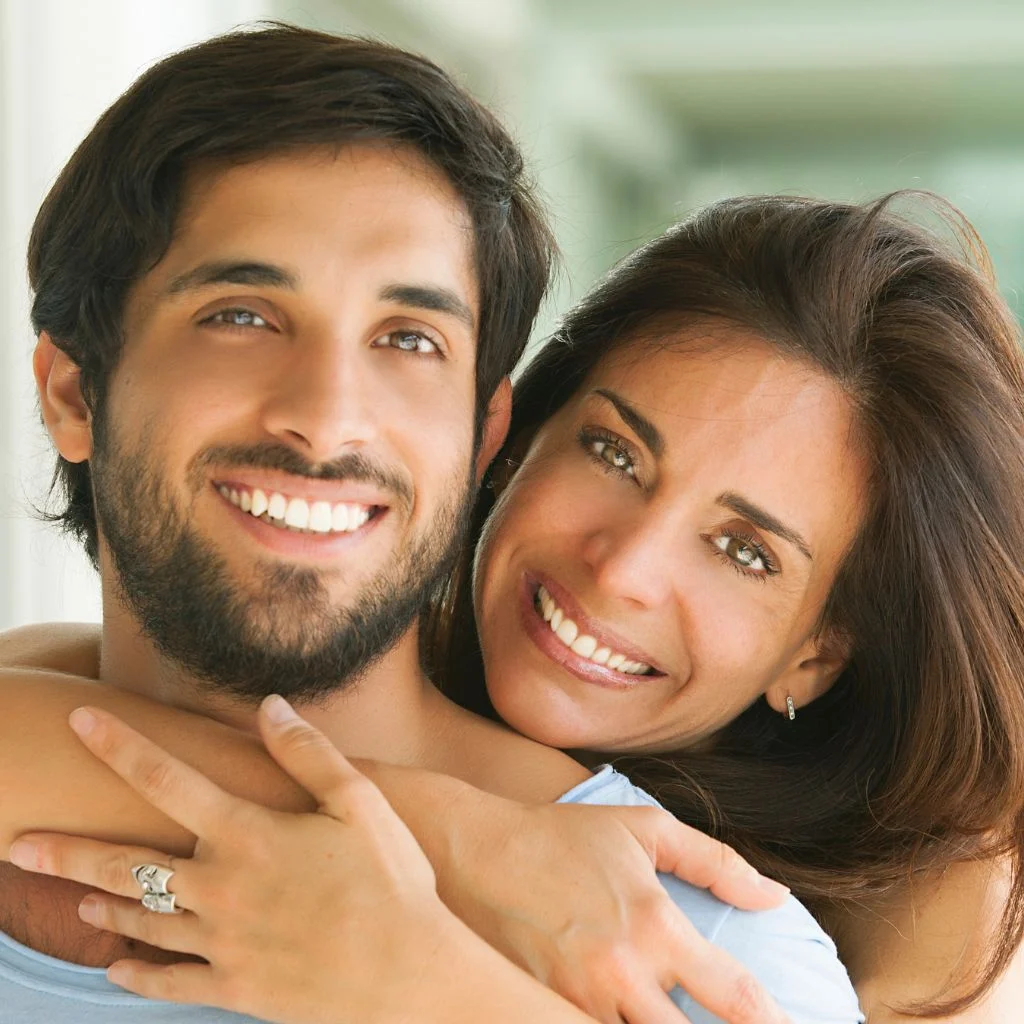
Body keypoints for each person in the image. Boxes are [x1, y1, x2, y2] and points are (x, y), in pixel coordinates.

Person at [0, 20, 861, 1024]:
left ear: (483, 427)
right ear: (71, 392)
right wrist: (447, 833)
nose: (326, 416)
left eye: (408, 337)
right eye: (240, 314)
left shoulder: (696, 949)